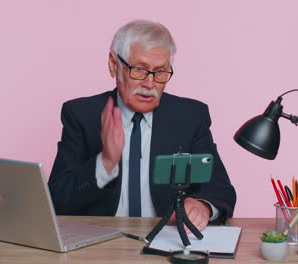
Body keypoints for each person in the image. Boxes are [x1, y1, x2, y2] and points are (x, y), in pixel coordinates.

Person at [48, 20, 236, 230]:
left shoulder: (190, 116)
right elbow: (57, 201)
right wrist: (106, 162)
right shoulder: (82, 115)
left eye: (160, 72)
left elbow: (221, 189)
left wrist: (203, 206)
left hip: (167, 238)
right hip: (100, 240)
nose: (149, 84)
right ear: (113, 64)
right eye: (139, 69)